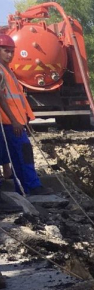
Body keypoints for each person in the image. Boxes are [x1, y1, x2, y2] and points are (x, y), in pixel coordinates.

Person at [0, 34, 47, 197]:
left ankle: (23, 188)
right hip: (9, 123)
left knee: (19, 155)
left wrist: (26, 119)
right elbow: (1, 98)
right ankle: (32, 186)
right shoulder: (0, 71)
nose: (10, 54)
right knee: (24, 153)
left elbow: (17, 99)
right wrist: (14, 121)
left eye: (12, 51)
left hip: (17, 122)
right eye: (6, 51)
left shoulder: (9, 71)